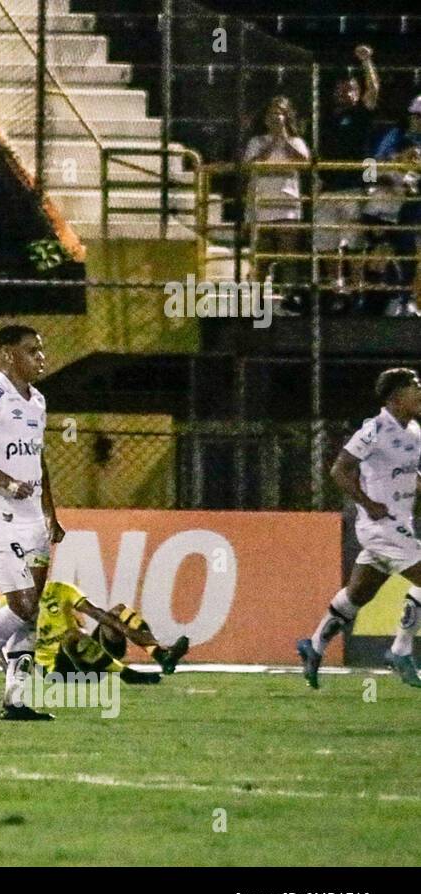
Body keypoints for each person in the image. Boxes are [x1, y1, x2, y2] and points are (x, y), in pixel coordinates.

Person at [0, 325, 65, 720]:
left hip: (33, 519)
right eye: (31, 350)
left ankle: (16, 700)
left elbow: (39, 459)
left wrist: (51, 512)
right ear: (6, 356)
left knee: (31, 610)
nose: (41, 357)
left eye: (41, 350)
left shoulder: (37, 401)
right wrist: (7, 482)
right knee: (20, 605)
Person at [298, 368, 421, 690]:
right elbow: (340, 470)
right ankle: (400, 651)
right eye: (414, 388)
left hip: (399, 524)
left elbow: (409, 476)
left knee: (357, 596)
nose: (419, 394)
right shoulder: (374, 430)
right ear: (395, 397)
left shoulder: (414, 431)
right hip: (381, 526)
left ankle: (314, 645)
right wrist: (368, 504)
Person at [30, 580, 190, 685]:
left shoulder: (60, 589)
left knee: (119, 611)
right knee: (72, 636)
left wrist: (127, 631)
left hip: (90, 656)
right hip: (56, 670)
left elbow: (96, 613)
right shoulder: (12, 602)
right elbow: (5, 641)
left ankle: (162, 656)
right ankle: (128, 675)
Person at [315, 48, 380, 304]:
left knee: (354, 239)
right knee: (326, 239)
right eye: (342, 89)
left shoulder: (361, 115)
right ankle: (335, 285)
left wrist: (366, 61)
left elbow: (373, 90)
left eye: (351, 89)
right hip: (328, 187)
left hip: (353, 187)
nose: (346, 93)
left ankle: (356, 285)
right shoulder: (325, 119)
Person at [243, 96, 311, 314]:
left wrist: (284, 139)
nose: (276, 117)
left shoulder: (297, 142)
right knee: (261, 257)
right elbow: (252, 165)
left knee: (287, 255)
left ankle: (288, 299)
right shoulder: (256, 142)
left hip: (287, 205)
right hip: (261, 205)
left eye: (280, 112)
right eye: (272, 113)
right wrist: (272, 143)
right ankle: (258, 302)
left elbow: (304, 162)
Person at [368, 97, 421, 316]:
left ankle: (412, 300)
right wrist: (401, 159)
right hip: (393, 207)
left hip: (415, 203)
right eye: (417, 116)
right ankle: (397, 299)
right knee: (394, 253)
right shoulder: (395, 137)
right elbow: (369, 171)